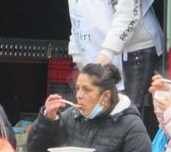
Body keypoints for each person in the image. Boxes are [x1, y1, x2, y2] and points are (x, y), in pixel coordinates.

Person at [67, 0, 164, 128]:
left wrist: (107, 53)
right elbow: (77, 18)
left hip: (135, 49)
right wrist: (78, 57)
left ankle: (127, 146)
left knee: (126, 111)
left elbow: (128, 12)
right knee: (100, 109)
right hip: (98, 51)